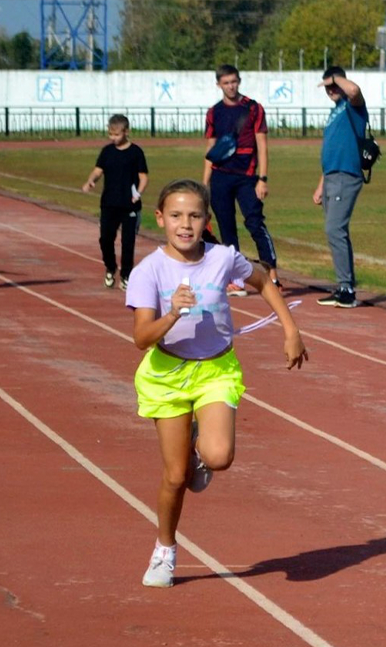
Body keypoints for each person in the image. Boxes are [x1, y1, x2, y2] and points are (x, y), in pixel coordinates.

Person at [127, 179, 307, 588]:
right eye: (175, 216)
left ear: (207, 220)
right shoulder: (149, 271)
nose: (185, 224)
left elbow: (261, 280)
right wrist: (171, 314)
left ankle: (202, 445)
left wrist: (290, 329)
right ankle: (165, 549)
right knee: (176, 477)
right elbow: (140, 338)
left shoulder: (223, 258)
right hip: (167, 376)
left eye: (194, 215)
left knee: (220, 456)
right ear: (160, 219)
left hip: (215, 370)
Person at [203, 64, 281, 295]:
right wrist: (204, 183)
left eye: (234, 81)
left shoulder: (253, 108)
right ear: (219, 84)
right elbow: (210, 149)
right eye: (226, 82)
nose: (231, 86)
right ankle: (235, 279)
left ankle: (273, 276)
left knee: (255, 223)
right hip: (220, 176)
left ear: (239, 81)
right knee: (227, 229)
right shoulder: (213, 112)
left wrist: (263, 178)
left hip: (247, 177)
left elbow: (262, 145)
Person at [312, 66, 368, 309]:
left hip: (346, 175)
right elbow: (332, 150)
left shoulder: (353, 106)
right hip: (332, 177)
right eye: (328, 87)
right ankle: (344, 285)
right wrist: (320, 185)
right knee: (334, 230)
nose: (331, 90)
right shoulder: (335, 111)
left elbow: (354, 90)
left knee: (335, 228)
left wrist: (336, 79)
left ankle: (347, 289)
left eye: (335, 85)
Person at [81, 113, 149, 290]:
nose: (113, 138)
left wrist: (138, 193)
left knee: (128, 242)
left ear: (127, 132)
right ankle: (110, 267)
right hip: (109, 204)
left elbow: (143, 177)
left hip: (129, 205)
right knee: (105, 239)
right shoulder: (107, 151)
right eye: (110, 134)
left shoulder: (136, 152)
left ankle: (126, 274)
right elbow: (98, 170)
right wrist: (91, 180)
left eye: (117, 134)